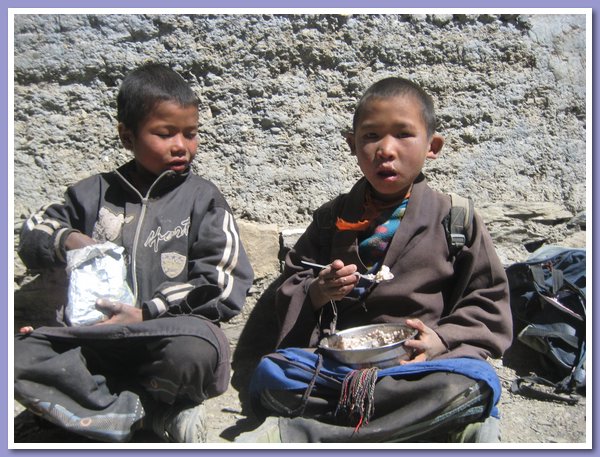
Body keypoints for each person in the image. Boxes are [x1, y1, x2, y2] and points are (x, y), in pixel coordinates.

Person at [235, 77, 512, 443]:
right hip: (340, 367)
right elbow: (293, 283)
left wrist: (441, 339)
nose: (385, 149)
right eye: (370, 137)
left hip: (420, 365)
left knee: (472, 382)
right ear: (352, 145)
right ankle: (431, 426)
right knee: (274, 373)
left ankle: (304, 431)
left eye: (403, 134)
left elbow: (488, 300)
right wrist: (318, 292)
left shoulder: (456, 218)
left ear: (433, 146)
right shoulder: (330, 219)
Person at [14, 63, 254, 443]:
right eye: (165, 133)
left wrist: (147, 311)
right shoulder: (92, 194)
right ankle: (148, 416)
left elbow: (222, 284)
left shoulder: (202, 199)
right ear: (127, 137)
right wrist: (73, 240)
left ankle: (91, 412)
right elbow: (33, 231)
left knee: (196, 351)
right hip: (97, 340)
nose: (182, 145)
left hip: (167, 335)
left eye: (191, 134)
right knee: (17, 357)